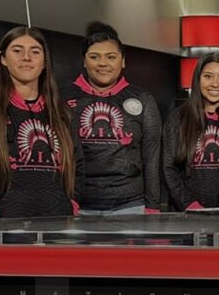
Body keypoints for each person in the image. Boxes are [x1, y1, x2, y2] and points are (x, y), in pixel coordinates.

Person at [0, 26, 82, 218]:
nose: (26, 57)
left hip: (56, 224)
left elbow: (79, 166)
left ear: (44, 62)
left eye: (35, 52)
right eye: (17, 50)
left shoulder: (62, 113)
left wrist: (72, 203)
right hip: (1, 227)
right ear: (3, 59)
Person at [63, 21, 161, 215]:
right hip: (77, 205)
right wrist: (66, 202)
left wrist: (153, 207)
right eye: (94, 57)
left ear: (123, 61)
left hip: (131, 205)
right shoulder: (62, 98)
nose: (103, 64)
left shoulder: (143, 99)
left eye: (111, 57)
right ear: (84, 61)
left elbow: (151, 157)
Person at [162, 54, 219, 210]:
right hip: (187, 215)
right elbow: (169, 169)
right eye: (208, 76)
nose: (215, 84)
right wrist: (191, 206)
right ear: (198, 80)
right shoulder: (177, 118)